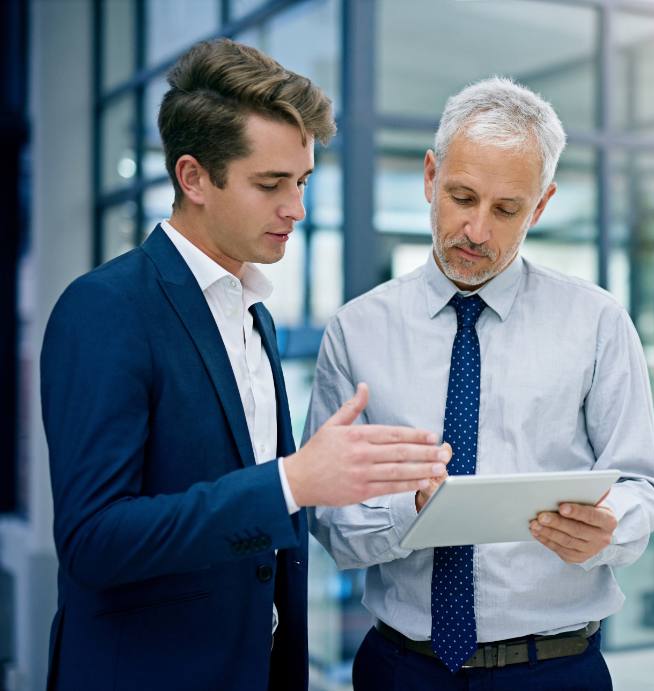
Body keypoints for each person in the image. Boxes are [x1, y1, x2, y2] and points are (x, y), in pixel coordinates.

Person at [40, 38, 448, 691]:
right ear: (193, 177)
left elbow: (254, 527)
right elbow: (94, 539)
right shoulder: (105, 309)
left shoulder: (252, 314)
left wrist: (352, 484)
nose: (297, 209)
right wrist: (289, 482)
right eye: (271, 184)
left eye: (303, 181)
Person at [305, 77, 654, 690]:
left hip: (554, 670)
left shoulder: (597, 323)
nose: (477, 230)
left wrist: (610, 526)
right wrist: (410, 513)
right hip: (402, 670)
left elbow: (646, 487)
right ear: (429, 177)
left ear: (542, 205)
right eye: (461, 196)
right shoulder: (356, 331)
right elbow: (329, 520)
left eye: (507, 210)